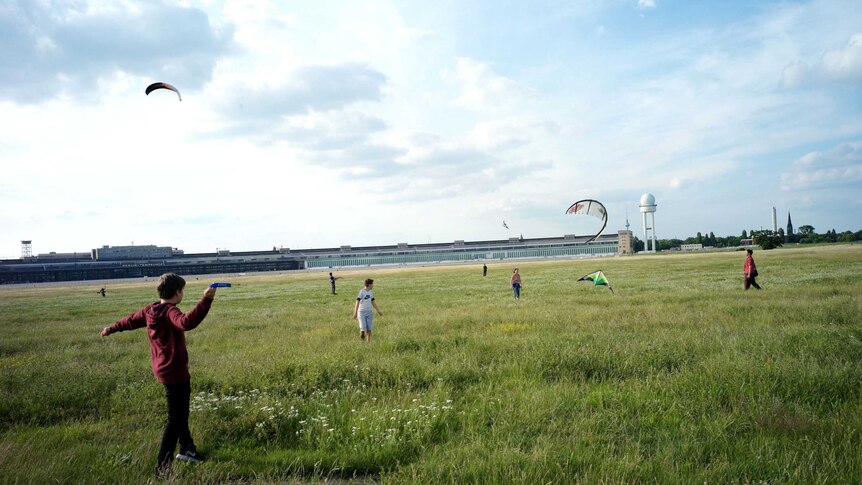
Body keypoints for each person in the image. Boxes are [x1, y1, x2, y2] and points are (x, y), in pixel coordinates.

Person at [100, 273, 218, 477]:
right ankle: (162, 467)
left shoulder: (150, 310)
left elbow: (129, 321)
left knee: (181, 414)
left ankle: (188, 449)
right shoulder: (170, 311)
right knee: (176, 419)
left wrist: (111, 328)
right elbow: (186, 322)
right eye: (183, 291)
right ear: (177, 292)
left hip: (163, 369)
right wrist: (206, 299)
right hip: (176, 372)